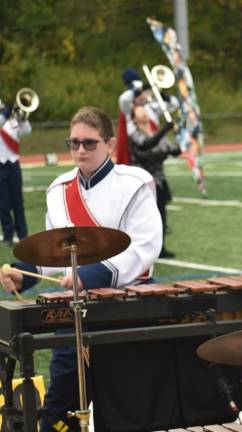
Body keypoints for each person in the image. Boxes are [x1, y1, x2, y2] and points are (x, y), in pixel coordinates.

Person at [0, 106, 162, 431]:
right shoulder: (58, 190)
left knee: (125, 406)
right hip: (74, 313)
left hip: (128, 305)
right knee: (59, 412)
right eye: (73, 143)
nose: (80, 150)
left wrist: (89, 275)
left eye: (89, 143)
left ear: (110, 145)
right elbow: (53, 254)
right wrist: (23, 272)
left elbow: (145, 246)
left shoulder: (135, 183)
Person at [129, 104, 180, 258]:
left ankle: (161, 248)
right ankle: (143, 247)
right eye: (139, 113)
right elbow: (146, 149)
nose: (144, 114)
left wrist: (184, 139)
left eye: (144, 112)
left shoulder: (157, 134)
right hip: (144, 183)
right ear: (133, 118)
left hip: (160, 181)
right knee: (145, 217)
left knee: (161, 215)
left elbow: (174, 151)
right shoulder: (134, 135)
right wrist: (165, 130)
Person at [0, 99, 31, 247]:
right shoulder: (2, 120)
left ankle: (23, 234)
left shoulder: (13, 122)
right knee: (3, 204)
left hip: (13, 165)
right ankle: (8, 236)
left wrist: (23, 117)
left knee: (18, 202)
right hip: (0, 167)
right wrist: (5, 115)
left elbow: (27, 131)